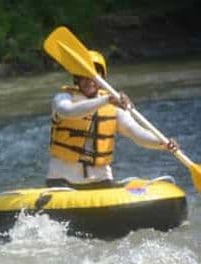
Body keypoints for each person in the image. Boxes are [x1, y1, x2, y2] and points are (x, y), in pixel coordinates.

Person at [47, 50, 178, 187]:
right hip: (63, 180)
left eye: (94, 76)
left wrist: (161, 142)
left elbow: (136, 132)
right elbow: (68, 111)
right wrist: (107, 100)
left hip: (101, 179)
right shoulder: (63, 99)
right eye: (83, 76)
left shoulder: (113, 106)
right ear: (76, 79)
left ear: (102, 79)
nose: (89, 81)